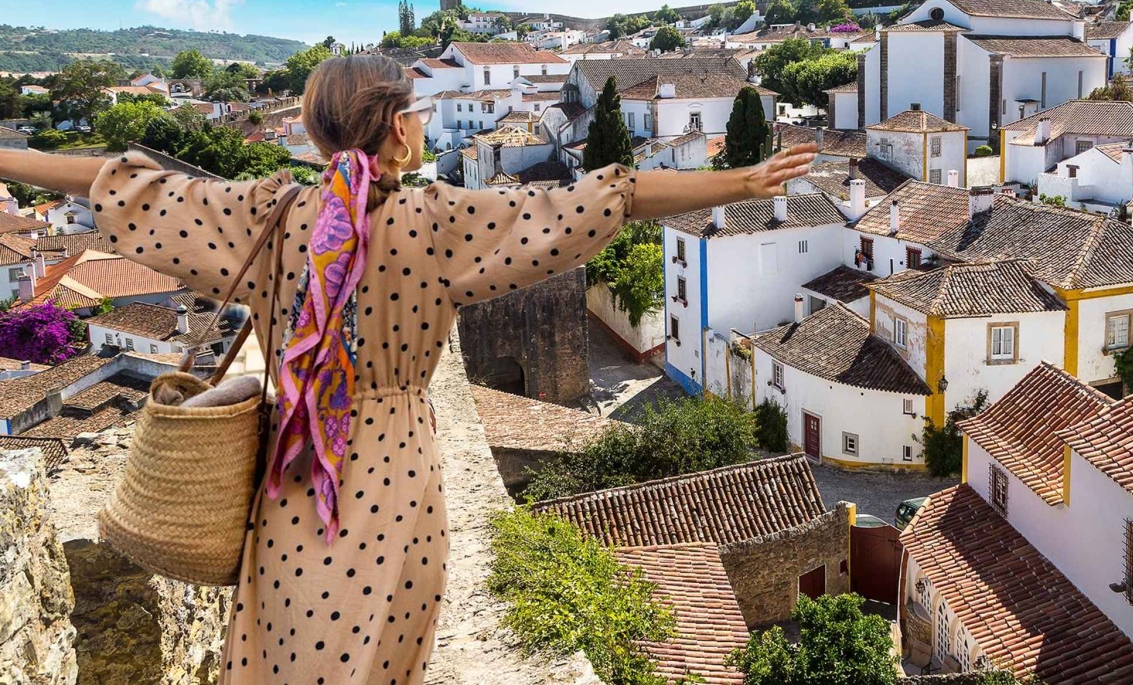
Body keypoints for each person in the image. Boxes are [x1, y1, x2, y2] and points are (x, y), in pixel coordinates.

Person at [0, 53, 815, 684]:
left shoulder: (271, 212)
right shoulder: (438, 222)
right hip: (391, 471)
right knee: (381, 649)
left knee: (285, 648)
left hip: (290, 473)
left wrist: (9, 155)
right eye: (418, 114)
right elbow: (613, 197)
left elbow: (125, 183)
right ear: (396, 128)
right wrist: (740, 180)